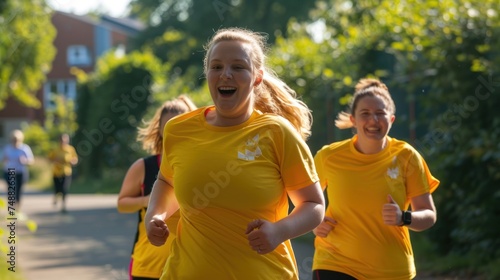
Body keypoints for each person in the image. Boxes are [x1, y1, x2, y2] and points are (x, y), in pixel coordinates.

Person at [145, 27, 325, 280]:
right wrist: (155, 216)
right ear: (207, 73)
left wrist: (278, 231)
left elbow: (314, 204)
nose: (225, 74)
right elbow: (167, 181)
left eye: (238, 67)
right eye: (216, 67)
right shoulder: (179, 130)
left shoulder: (276, 133)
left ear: (257, 78)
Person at [311, 78, 440, 280]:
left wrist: (403, 217)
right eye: (365, 114)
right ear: (353, 119)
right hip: (335, 263)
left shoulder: (406, 156)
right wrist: (314, 223)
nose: (373, 120)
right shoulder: (328, 156)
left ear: (391, 119)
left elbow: (429, 214)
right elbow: (303, 199)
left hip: (391, 270)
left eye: (380, 114)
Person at [117, 95, 197, 280]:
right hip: (147, 267)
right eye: (168, 126)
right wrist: (149, 200)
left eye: (179, 124)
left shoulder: (201, 166)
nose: (174, 131)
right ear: (159, 130)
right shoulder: (144, 166)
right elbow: (122, 204)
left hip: (188, 267)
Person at [2, 129, 34, 210]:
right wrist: (4, 159)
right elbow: (2, 158)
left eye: (17, 139)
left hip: (20, 172)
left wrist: (25, 161)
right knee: (11, 189)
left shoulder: (24, 148)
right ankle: (12, 206)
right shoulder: (7, 148)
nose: (15, 141)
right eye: (14, 139)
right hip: (9, 172)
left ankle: (18, 206)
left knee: (18, 189)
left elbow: (31, 160)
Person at [48, 133, 78, 213]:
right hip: (56, 173)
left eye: (65, 140)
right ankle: (56, 197)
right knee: (57, 189)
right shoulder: (55, 150)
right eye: (62, 140)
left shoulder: (70, 149)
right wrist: (55, 160)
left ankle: (63, 206)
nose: (63, 142)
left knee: (64, 189)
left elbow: (75, 159)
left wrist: (72, 161)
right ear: (59, 141)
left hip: (66, 172)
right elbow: (49, 159)